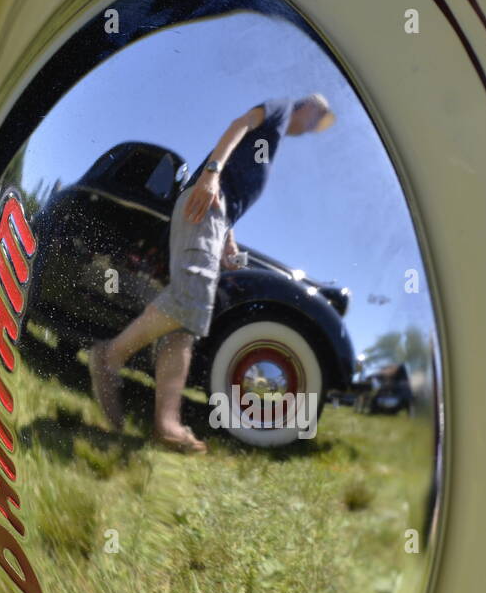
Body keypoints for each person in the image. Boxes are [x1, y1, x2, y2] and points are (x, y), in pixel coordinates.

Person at [88, 94, 336, 452]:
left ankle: (166, 423)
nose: (315, 126)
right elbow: (239, 125)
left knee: (186, 323)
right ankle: (109, 356)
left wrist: (227, 238)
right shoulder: (279, 110)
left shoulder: (274, 140)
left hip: (216, 218)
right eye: (318, 117)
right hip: (203, 204)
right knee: (190, 300)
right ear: (308, 106)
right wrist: (211, 173)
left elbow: (233, 190)